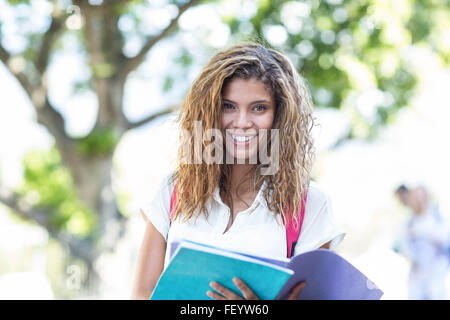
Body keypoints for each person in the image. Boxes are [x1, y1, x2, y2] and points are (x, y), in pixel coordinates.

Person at [131, 42, 345, 300]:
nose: (242, 123)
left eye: (259, 108)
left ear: (279, 115)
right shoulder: (174, 189)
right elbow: (143, 294)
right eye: (228, 106)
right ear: (209, 111)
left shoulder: (309, 203)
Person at [394, 184, 449, 300]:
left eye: (421, 196)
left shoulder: (437, 218)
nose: (419, 200)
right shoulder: (409, 223)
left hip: (436, 274)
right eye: (416, 197)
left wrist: (422, 232)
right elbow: (402, 245)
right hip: (417, 276)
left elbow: (445, 240)